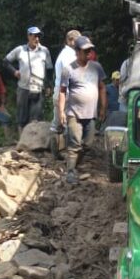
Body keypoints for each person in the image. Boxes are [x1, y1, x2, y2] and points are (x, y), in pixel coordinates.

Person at [57, 35, 106, 184]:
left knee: (88, 143)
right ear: (77, 52)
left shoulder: (96, 67)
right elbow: (62, 91)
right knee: (74, 143)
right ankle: (70, 172)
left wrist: (103, 107)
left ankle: (74, 164)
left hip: (90, 114)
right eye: (85, 51)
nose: (89, 53)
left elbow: (102, 87)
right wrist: (61, 111)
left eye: (90, 50)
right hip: (74, 113)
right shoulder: (69, 69)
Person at [5, 25, 53, 128]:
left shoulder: (45, 50)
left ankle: (34, 141)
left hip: (38, 88)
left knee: (36, 117)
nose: (36, 39)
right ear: (28, 36)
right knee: (22, 117)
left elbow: (49, 69)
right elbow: (6, 62)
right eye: (34, 36)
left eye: (38, 36)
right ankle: (22, 139)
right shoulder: (20, 50)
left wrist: (49, 85)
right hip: (23, 87)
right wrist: (14, 72)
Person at [50, 29, 81, 131]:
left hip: (62, 90)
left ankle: (55, 143)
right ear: (70, 40)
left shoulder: (67, 54)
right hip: (66, 92)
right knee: (68, 124)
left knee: (58, 124)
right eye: (78, 40)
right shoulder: (68, 55)